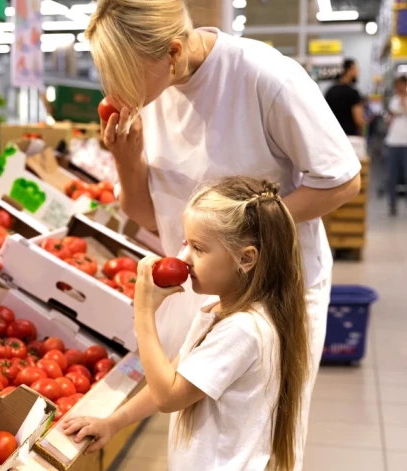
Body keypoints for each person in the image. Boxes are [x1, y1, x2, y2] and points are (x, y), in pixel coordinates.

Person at [83, 1, 361, 469]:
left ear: (172, 52)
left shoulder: (264, 77)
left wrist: (248, 236)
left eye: (124, 76)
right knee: (202, 422)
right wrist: (125, 160)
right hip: (205, 282)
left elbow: (341, 181)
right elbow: (148, 216)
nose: (116, 91)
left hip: (270, 289)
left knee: (265, 432)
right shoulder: (149, 96)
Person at [64, 177, 310, 470]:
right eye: (185, 243)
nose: (183, 258)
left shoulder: (242, 330)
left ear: (245, 259)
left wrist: (144, 312)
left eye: (199, 248)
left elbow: (168, 396)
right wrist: (114, 423)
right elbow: (174, 378)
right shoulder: (219, 311)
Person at [384, 76, 407, 216]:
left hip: (406, 144)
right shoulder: (393, 100)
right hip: (393, 142)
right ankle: (392, 204)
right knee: (392, 176)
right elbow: (389, 119)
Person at [325, 58, 366, 136]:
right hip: (349, 138)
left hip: (332, 136)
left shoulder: (330, 91)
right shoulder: (353, 93)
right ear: (349, 70)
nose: (357, 72)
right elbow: (359, 120)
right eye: (356, 69)